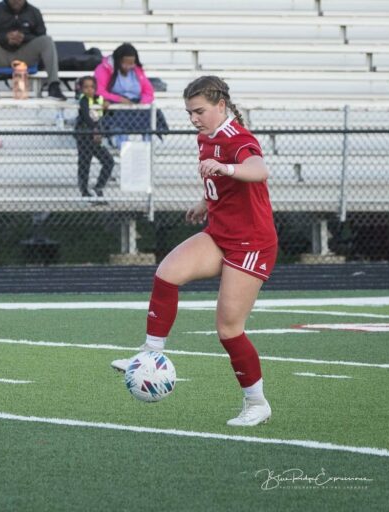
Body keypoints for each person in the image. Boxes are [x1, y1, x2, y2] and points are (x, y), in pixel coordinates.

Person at [111, 76, 278, 428]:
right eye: (189, 112)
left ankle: (256, 403)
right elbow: (225, 184)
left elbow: (258, 170)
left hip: (251, 243)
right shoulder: (206, 138)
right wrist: (206, 201)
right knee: (167, 273)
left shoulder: (238, 139)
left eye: (199, 111)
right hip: (220, 233)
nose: (193, 119)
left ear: (221, 105)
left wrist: (227, 168)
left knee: (229, 328)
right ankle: (149, 355)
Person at [0, 0, 66, 101]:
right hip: (0, 56)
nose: (16, 1)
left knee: (47, 40)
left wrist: (24, 37)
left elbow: (41, 35)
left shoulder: (34, 12)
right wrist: (5, 38)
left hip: (25, 56)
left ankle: (54, 86)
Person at [94, 43, 155, 147]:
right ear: (118, 60)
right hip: (115, 108)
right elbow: (99, 91)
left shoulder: (137, 70)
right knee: (119, 125)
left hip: (135, 106)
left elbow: (149, 92)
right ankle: (121, 149)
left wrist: (141, 102)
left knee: (149, 120)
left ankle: (147, 151)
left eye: (132, 63)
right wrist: (119, 99)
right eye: (125, 63)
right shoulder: (103, 69)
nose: (129, 67)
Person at [74, 76, 114, 198]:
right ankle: (84, 191)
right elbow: (86, 116)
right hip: (84, 136)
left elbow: (105, 114)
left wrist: (107, 106)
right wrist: (95, 130)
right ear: (81, 89)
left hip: (95, 138)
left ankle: (99, 186)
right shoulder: (83, 100)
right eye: (85, 87)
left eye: (92, 87)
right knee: (85, 163)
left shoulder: (98, 99)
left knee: (109, 161)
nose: (89, 90)